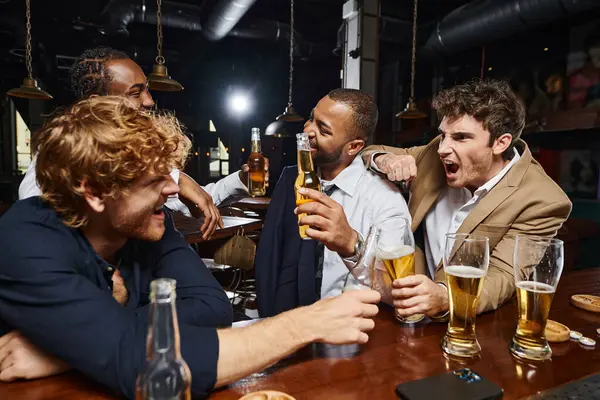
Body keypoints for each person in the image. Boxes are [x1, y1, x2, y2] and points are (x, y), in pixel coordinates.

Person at [0, 97, 381, 397]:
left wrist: (75, 345)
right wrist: (308, 322)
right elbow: (144, 371)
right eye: (154, 180)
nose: (172, 189)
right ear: (95, 191)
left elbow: (214, 309)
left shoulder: (151, 223)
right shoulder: (25, 239)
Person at [361, 79, 572, 318]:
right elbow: (369, 151)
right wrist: (385, 160)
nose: (443, 148)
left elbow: (503, 276)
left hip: (469, 323)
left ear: (500, 143)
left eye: (461, 137)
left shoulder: (543, 200)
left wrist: (445, 297)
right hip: (401, 308)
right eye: (443, 135)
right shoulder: (435, 152)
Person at [18, 47, 266, 239]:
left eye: (147, 89)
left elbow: (196, 200)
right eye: (135, 93)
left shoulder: (138, 156)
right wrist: (177, 177)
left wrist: (239, 181)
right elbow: (34, 217)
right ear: (97, 102)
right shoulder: (59, 155)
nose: (149, 101)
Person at [255, 88, 411, 317]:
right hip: (288, 327)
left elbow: (395, 289)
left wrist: (350, 243)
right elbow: (270, 257)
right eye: (311, 119)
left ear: (354, 146)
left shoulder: (384, 199)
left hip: (348, 331)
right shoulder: (291, 179)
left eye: (323, 130)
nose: (307, 130)